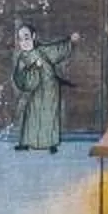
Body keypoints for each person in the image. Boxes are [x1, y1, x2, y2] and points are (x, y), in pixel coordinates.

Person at [11, 22, 77, 152]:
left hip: (50, 90)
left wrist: (71, 41)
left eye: (26, 37)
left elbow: (58, 50)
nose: (24, 42)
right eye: (20, 39)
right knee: (31, 116)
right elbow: (19, 77)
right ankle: (26, 142)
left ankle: (51, 143)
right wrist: (35, 68)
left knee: (49, 116)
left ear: (33, 36)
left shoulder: (44, 51)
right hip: (34, 91)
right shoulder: (22, 58)